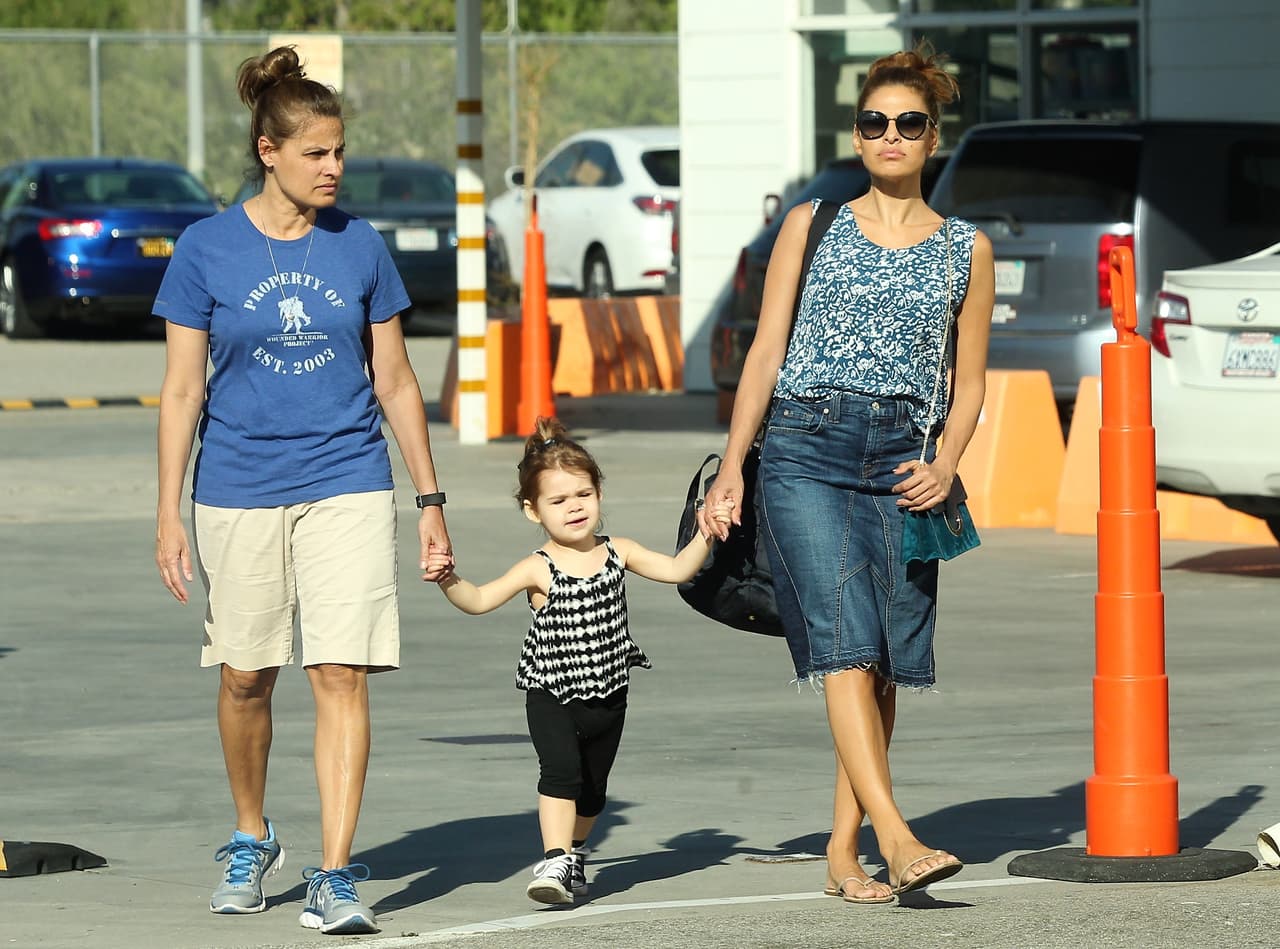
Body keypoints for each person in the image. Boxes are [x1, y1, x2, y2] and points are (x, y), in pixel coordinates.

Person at [153, 46, 452, 936]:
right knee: (246, 675)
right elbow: (181, 390)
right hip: (237, 486)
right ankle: (252, 834)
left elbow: (395, 379)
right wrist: (166, 512)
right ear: (268, 150)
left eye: (340, 151)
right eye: (317, 152)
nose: (334, 168)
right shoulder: (205, 249)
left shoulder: (359, 245)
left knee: (339, 669)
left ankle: (334, 870)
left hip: (348, 480)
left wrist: (429, 500)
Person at [700, 43, 994, 904]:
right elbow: (763, 351)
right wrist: (731, 469)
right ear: (858, 136)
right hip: (805, 445)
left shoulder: (966, 250)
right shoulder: (811, 221)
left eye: (908, 123)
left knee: (881, 664)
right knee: (841, 643)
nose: (890, 135)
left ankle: (842, 849)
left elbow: (972, 379)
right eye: (875, 123)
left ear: (933, 137)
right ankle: (898, 838)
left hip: (905, 457)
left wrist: (946, 464)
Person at [426, 417, 731, 905]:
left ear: (599, 495)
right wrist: (448, 579)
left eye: (583, 495)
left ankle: (575, 850)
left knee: (592, 793)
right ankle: (553, 859)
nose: (574, 508)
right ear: (533, 511)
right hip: (551, 691)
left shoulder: (619, 551)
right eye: (558, 500)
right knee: (560, 775)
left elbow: (676, 570)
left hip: (610, 693)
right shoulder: (537, 566)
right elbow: (480, 600)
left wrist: (706, 533)